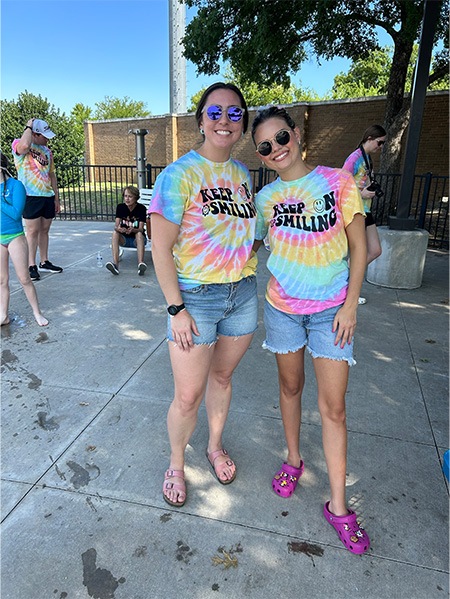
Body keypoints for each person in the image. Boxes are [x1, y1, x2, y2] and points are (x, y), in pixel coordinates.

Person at [251, 106, 370, 555]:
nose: (276, 149)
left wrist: (350, 306)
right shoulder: (265, 201)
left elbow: (359, 248)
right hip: (282, 309)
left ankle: (338, 506)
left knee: (333, 407)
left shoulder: (337, 181)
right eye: (265, 146)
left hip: (331, 314)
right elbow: (248, 243)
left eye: (281, 137)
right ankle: (294, 460)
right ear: (261, 156)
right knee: (290, 385)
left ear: (296, 134)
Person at [149, 82, 258, 507]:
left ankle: (213, 446)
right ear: (201, 121)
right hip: (195, 299)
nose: (225, 121)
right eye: (215, 112)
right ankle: (176, 463)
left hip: (242, 295)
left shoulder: (243, 174)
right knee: (188, 395)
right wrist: (175, 308)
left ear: (243, 123)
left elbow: (247, 232)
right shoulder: (179, 175)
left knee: (223, 378)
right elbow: (159, 247)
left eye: (235, 113)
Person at [1, 151, 48, 327]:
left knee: (24, 279)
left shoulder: (16, 186)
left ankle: (37, 313)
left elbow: (15, 214)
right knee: (1, 280)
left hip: (14, 237)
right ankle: (3, 315)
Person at [12, 118, 62, 281]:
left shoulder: (47, 151)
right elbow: (25, 146)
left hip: (47, 195)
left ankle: (44, 261)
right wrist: (28, 125)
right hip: (30, 195)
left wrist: (56, 198)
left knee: (44, 230)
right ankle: (30, 265)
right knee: (32, 231)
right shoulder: (19, 144)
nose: (47, 139)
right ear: (34, 133)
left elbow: (52, 175)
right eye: (44, 135)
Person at [343, 125, 387, 305]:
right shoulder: (354, 158)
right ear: (369, 138)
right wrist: (361, 194)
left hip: (365, 210)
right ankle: (349, 291)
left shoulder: (367, 158)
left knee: (375, 250)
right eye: (380, 142)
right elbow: (341, 185)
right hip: (356, 211)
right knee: (359, 253)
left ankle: (348, 272)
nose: (381, 147)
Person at [105, 186, 148, 276]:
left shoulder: (141, 208)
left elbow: (140, 228)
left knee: (139, 233)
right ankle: (115, 265)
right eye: (125, 196)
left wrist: (133, 230)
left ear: (136, 198)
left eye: (130, 196)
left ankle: (140, 264)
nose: (127, 199)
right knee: (115, 233)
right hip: (124, 239)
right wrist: (119, 229)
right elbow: (116, 226)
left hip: (138, 240)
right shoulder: (120, 207)